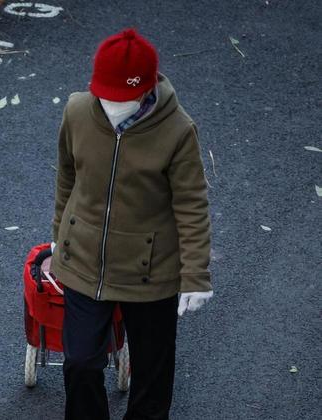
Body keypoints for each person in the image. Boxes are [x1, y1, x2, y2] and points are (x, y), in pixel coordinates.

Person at [51, 28, 213, 419]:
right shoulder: (76, 110)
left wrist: (195, 274)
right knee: (81, 364)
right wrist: (60, 235)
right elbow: (66, 175)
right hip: (84, 260)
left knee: (153, 375)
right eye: (103, 94)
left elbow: (192, 205)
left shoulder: (178, 131)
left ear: (145, 91)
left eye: (120, 97)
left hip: (151, 271)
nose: (110, 104)